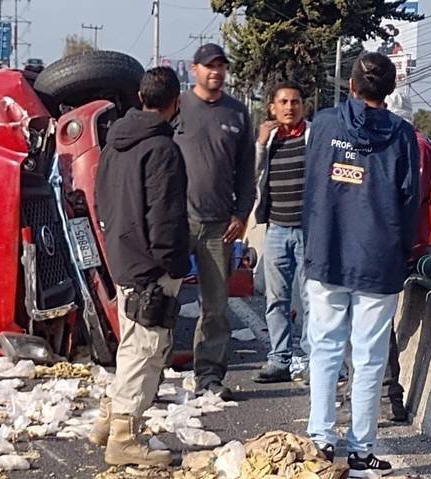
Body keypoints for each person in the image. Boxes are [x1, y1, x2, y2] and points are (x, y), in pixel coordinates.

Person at [303, 52, 419, 477]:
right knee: (369, 357)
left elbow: (312, 185)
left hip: (328, 251)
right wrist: (401, 252)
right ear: (389, 91)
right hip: (379, 258)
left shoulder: (326, 125)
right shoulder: (404, 136)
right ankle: (360, 449)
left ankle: (319, 440)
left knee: (325, 350)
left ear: (350, 85)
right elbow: (409, 202)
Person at [89, 67, 190, 467]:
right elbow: (165, 217)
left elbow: (100, 201)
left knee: (132, 345)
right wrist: (172, 262)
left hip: (123, 256)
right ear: (175, 103)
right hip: (152, 265)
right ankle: (123, 438)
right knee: (145, 350)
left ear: (140, 97)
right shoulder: (163, 150)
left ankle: (105, 421)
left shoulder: (114, 144)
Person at [173, 43, 255, 399]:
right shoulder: (176, 107)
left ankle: (209, 376)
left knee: (216, 307)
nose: (216, 72)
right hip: (176, 222)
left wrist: (242, 213)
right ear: (194, 70)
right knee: (163, 300)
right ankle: (155, 370)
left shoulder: (237, 113)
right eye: (209, 66)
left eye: (221, 66)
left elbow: (246, 173)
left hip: (220, 225)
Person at [384, 90, 431, 423]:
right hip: (399, 243)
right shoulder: (408, 143)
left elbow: (406, 199)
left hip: (402, 245)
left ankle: (393, 396)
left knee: (378, 323)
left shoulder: (413, 146)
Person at [253, 81, 310, 384]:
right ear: (272, 108)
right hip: (276, 230)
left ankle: (314, 360)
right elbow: (253, 175)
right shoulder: (269, 138)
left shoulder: (313, 137)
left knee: (311, 300)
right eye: (284, 102)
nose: (290, 107)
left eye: (295, 101)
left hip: (308, 232)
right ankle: (279, 360)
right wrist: (261, 143)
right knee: (277, 300)